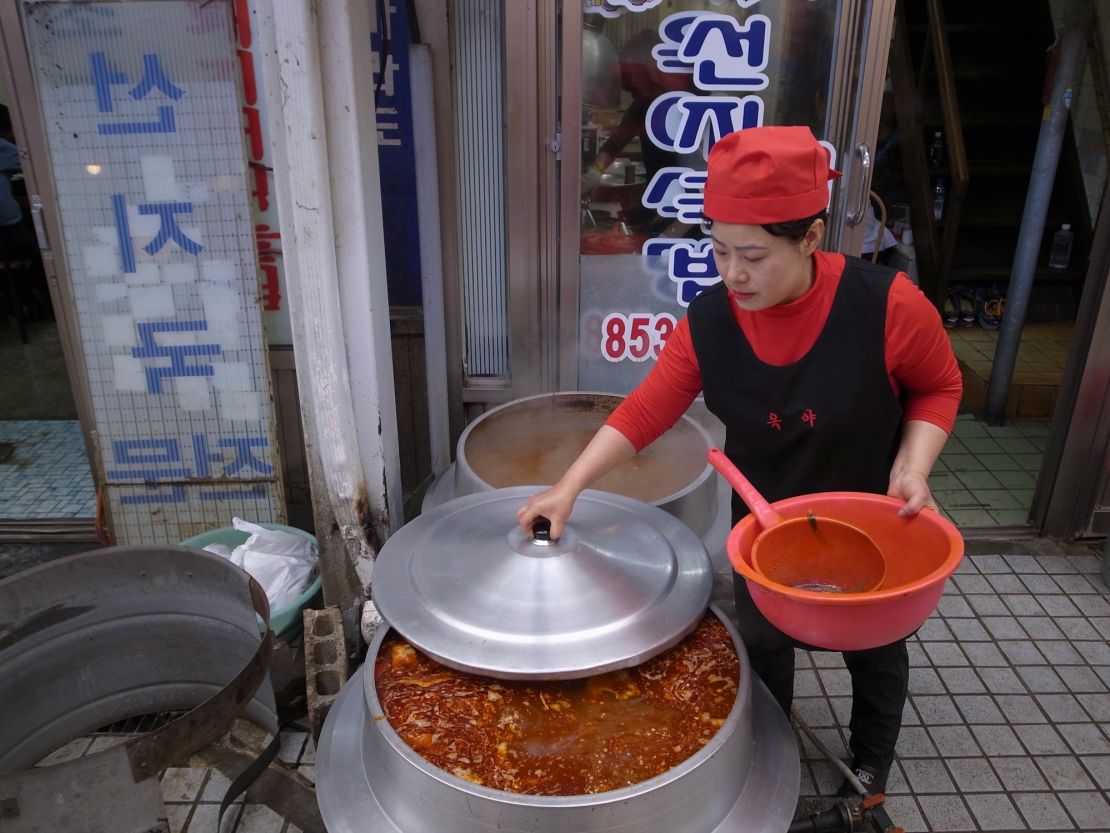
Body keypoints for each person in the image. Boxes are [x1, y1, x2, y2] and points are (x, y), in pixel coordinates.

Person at [518, 125, 962, 798]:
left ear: (811, 238)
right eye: (719, 250)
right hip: (762, 520)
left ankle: (869, 767)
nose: (733, 274)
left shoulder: (887, 306)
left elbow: (939, 384)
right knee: (762, 647)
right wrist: (567, 487)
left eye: (753, 255)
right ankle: (767, 756)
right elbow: (645, 411)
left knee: (875, 650)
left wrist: (915, 465)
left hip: (871, 512)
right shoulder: (711, 321)